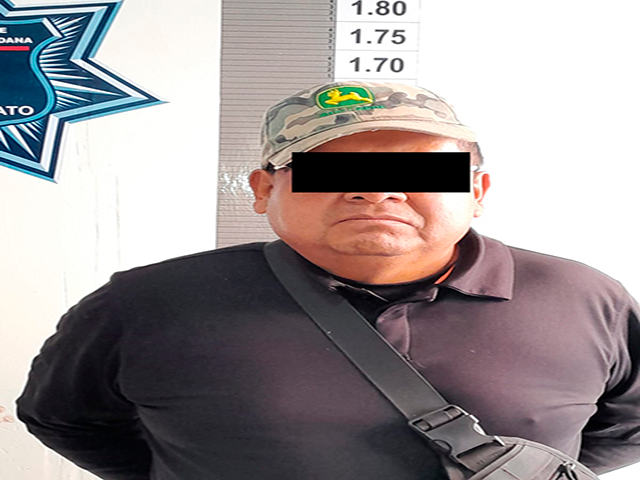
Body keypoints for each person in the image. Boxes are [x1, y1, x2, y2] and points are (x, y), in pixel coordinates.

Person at [16, 81, 640, 480]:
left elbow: (628, 425)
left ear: (477, 191)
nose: (376, 190)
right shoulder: (146, 304)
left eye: (422, 170)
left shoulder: (584, 299)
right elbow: (67, 420)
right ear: (264, 189)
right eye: (330, 169)